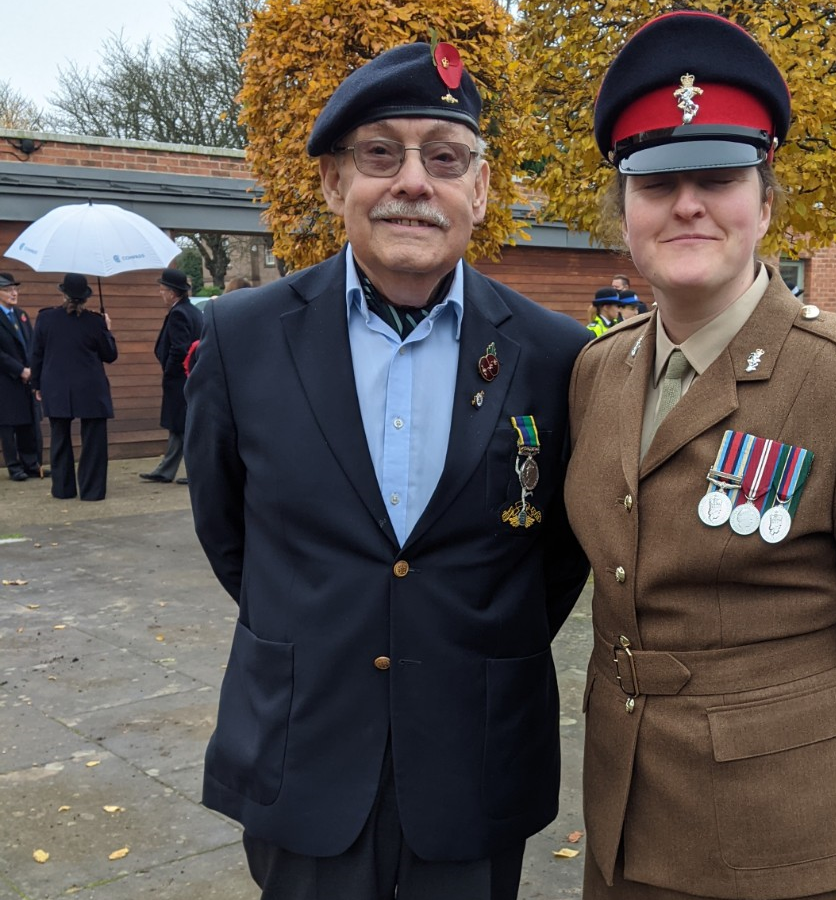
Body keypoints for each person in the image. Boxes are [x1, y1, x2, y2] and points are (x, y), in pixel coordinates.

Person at [565, 12, 836, 900]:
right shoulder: (598, 371)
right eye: (657, 181)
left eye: (717, 177)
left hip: (787, 836)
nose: (687, 204)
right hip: (624, 821)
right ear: (624, 209)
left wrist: (796, 715)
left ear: (765, 200)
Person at [183, 40, 591, 900]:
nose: (413, 182)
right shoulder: (240, 338)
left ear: (478, 190)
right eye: (380, 153)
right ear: (336, 183)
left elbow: (556, 556)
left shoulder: (555, 356)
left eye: (444, 158)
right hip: (305, 753)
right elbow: (231, 539)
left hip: (474, 763)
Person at [30, 274, 118, 501]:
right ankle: (92, 491)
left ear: (63, 293)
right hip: (91, 387)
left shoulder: (45, 318)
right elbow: (110, 356)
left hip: (56, 386)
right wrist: (107, 329)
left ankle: (63, 489)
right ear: (86, 297)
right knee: (94, 441)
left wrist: (36, 384)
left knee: (59, 438)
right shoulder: (95, 321)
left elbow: (36, 354)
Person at [140, 269, 203, 485]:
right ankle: (166, 470)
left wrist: (169, 370)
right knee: (179, 426)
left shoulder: (179, 314)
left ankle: (197, 470)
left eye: (163, 289)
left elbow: (179, 348)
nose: (160, 293)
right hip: (189, 376)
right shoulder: (193, 311)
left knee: (184, 426)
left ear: (173, 293)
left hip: (179, 378)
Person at [0, 273, 43, 481]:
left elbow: (32, 344)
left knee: (28, 421)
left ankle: (30, 463)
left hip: (27, 377)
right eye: (8, 290)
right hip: (6, 378)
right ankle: (14, 465)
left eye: (15, 289)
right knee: (8, 424)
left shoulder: (21, 314)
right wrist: (19, 370)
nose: (14, 293)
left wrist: (33, 368)